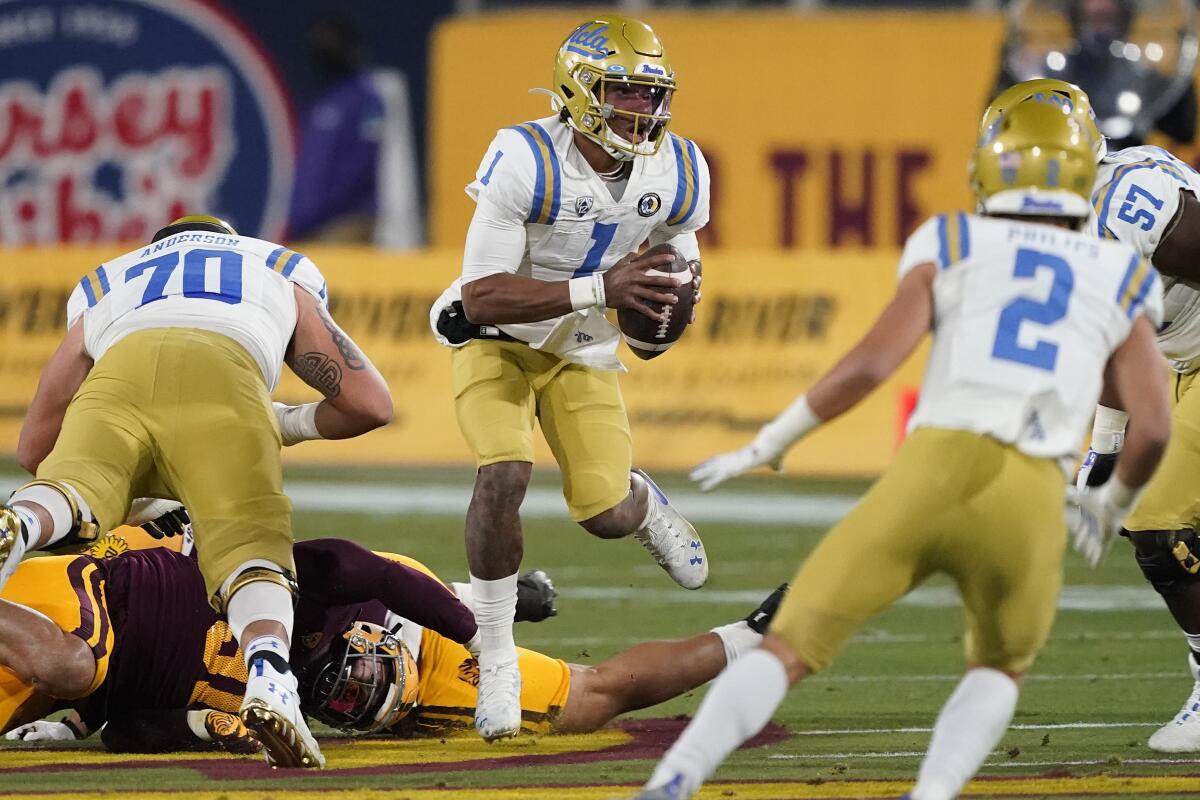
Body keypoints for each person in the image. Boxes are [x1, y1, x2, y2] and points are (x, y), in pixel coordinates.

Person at [635, 96, 1172, 800]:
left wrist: (773, 439)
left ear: (989, 167)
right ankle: (933, 794)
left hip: (932, 471)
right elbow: (1154, 424)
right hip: (1030, 496)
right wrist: (1112, 503)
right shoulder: (1123, 275)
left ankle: (677, 778)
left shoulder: (951, 239)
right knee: (996, 670)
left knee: (788, 648)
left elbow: (868, 366)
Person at [0, 214, 393, 768]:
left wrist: (140, 483)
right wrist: (283, 422)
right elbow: (371, 403)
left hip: (120, 370)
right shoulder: (275, 263)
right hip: (225, 368)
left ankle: (17, 526)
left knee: (72, 487)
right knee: (249, 544)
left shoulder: (108, 281)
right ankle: (269, 678)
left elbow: (34, 448)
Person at [428, 14, 711, 741]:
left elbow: (679, 241)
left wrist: (674, 295)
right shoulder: (524, 157)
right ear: (579, 91)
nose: (642, 111)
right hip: (496, 338)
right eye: (625, 92)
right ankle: (497, 660)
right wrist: (600, 288)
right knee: (504, 473)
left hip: (581, 350)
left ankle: (645, 506)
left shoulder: (676, 167)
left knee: (604, 514)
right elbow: (481, 293)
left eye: (652, 96)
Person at [0, 530, 784, 753]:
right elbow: (350, 565)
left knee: (582, 699)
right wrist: (484, 633)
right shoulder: (326, 607)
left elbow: (603, 689)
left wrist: (752, 639)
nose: (344, 692)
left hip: (100, 643)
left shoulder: (398, 684)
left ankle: (508, 599)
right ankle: (501, 601)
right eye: (359, 677)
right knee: (175, 512)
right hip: (104, 588)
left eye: (347, 702)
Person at [985, 78, 1200, 753]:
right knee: (1153, 529)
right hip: (1182, 366)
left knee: (1161, 528)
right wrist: (1103, 446)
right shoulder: (1071, 222)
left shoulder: (1128, 203)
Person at [992, 0, 1196, 151]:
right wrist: (1012, 65)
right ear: (1074, 15)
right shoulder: (1047, 71)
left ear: (1125, 16)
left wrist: (1178, 75)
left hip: (1126, 171)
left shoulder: (1142, 76)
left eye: (1108, 13)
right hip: (1058, 169)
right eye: (1089, 9)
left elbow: (1183, 129)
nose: (1099, 7)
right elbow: (997, 117)